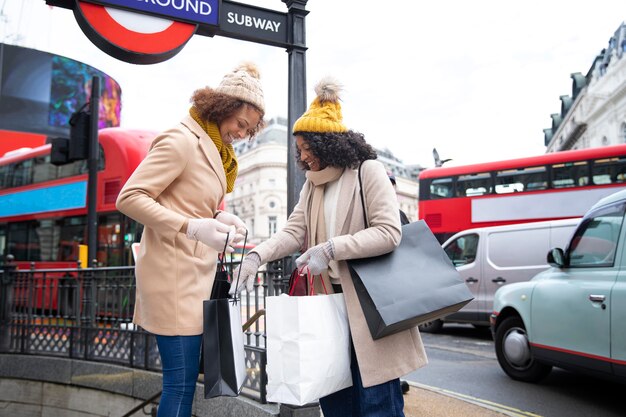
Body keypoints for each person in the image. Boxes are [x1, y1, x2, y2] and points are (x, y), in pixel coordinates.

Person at [233, 78, 427, 416]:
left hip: (371, 309)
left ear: (330, 143)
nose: (303, 156)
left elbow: (388, 232)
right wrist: (256, 255)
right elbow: (294, 231)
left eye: (308, 147)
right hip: (328, 308)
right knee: (335, 403)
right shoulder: (312, 185)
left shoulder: (369, 171)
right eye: (300, 149)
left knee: (376, 405)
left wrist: (332, 249)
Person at [116, 62, 265, 417]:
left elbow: (186, 203)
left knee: (182, 386)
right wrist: (193, 228)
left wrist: (215, 218)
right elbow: (130, 197)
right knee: (179, 386)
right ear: (222, 108)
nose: (241, 134)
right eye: (240, 124)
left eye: (249, 129)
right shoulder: (182, 139)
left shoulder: (214, 149)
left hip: (192, 277)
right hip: (174, 278)